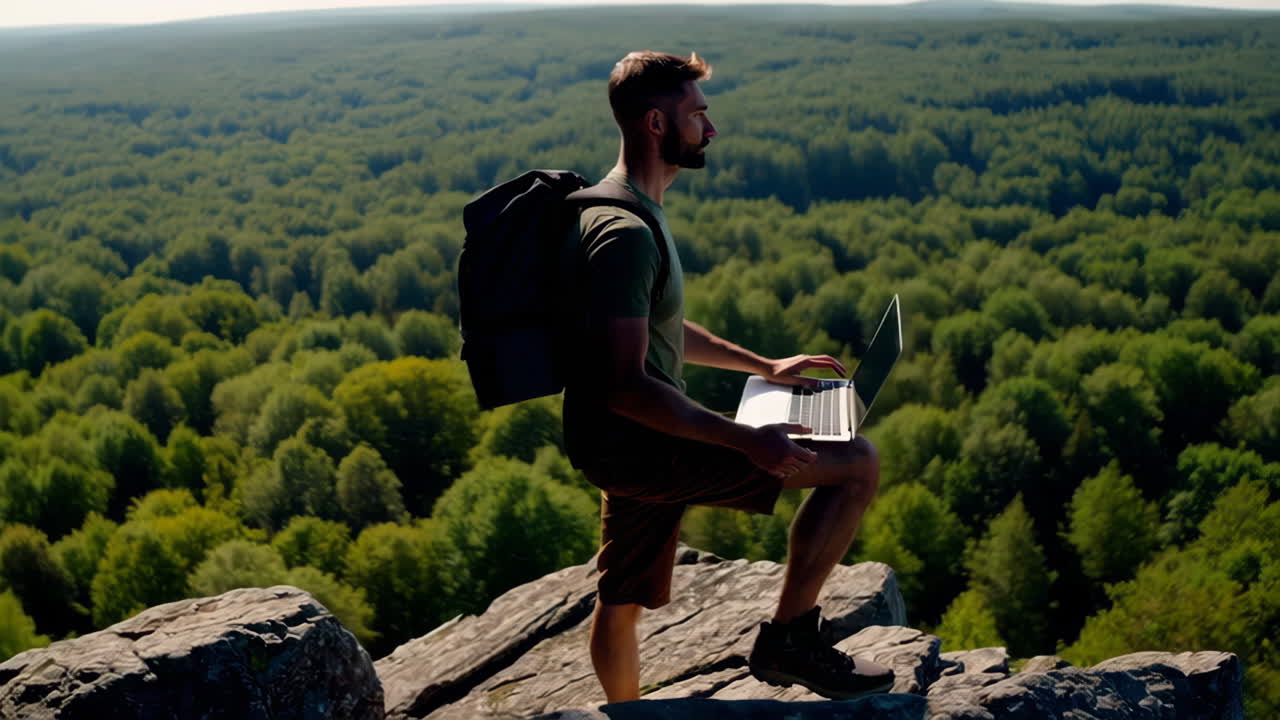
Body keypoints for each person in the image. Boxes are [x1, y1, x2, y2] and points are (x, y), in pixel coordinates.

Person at [562, 50, 893, 704]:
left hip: (616, 441)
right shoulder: (625, 232)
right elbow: (626, 384)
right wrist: (747, 440)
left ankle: (626, 716)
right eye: (698, 116)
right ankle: (790, 641)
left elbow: (655, 326)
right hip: (640, 443)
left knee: (622, 596)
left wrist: (763, 367)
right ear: (656, 124)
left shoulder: (621, 208)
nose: (710, 129)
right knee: (857, 463)